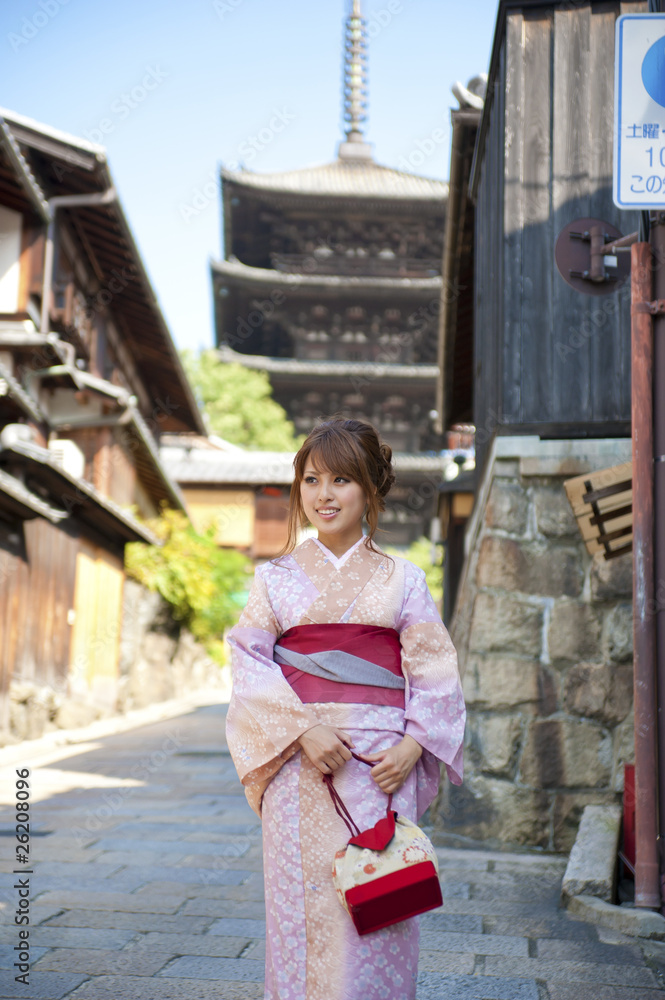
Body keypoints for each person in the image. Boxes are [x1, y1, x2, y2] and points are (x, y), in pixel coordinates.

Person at [226, 417, 466, 1000]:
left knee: (376, 911)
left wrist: (414, 744)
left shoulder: (403, 579)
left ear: (370, 490)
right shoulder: (275, 579)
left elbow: (433, 669)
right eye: (311, 480)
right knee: (299, 910)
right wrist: (302, 729)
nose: (323, 495)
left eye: (341, 480)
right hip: (298, 763)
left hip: (379, 763)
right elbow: (248, 662)